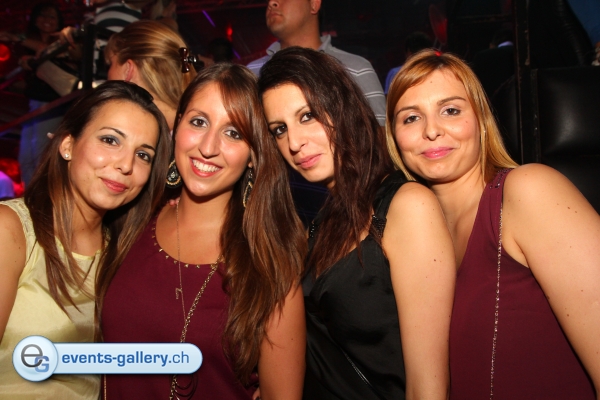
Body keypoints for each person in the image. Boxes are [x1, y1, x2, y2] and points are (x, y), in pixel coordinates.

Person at [387, 49, 600, 399]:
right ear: (394, 136)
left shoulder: (529, 192)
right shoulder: (411, 236)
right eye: (411, 118)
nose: (431, 131)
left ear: (481, 119)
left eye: (451, 110)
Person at [258, 47, 455, 399]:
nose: (294, 142)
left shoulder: (406, 206)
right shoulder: (323, 221)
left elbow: (428, 386)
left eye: (307, 116)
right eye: (279, 129)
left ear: (342, 106)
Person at [101, 63, 306, 399]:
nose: (208, 147)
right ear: (177, 126)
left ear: (253, 155)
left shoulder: (270, 270)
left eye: (233, 133)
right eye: (198, 122)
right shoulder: (129, 220)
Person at [0, 80, 171, 398]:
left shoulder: (126, 252)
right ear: (67, 145)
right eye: (110, 140)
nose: (126, 164)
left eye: (143, 155)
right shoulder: (10, 230)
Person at [248, 0, 385, 125]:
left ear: (314, 4)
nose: (272, 2)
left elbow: (379, 139)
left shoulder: (356, 69)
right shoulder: (251, 75)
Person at [0, 2, 68, 186]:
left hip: (54, 104)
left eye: (52, 16)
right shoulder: (26, 46)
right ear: (35, 20)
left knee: (40, 154)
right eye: (43, 15)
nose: (47, 20)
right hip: (34, 103)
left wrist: (18, 39)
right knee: (26, 156)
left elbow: (47, 51)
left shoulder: (62, 42)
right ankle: (29, 195)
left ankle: (41, 196)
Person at [105, 20, 197, 131]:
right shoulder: (192, 129)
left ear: (128, 69)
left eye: (111, 64)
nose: (107, 74)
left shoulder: (123, 130)